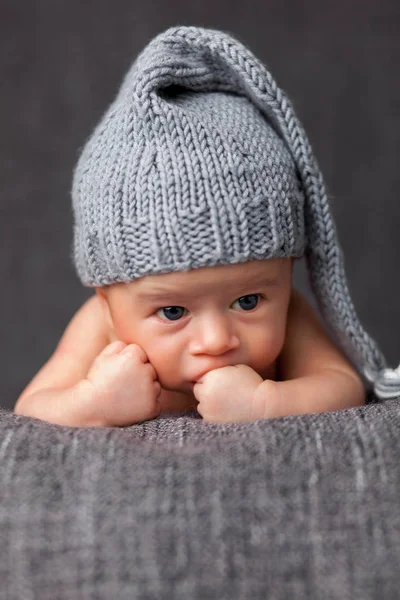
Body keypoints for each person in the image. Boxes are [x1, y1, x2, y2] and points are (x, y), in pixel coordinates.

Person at [14, 26, 400, 427]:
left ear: (286, 273)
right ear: (107, 299)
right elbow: (33, 408)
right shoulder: (98, 324)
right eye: (173, 311)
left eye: (248, 302)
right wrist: (91, 404)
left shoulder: (290, 314)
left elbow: (342, 385)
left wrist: (266, 402)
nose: (217, 341)